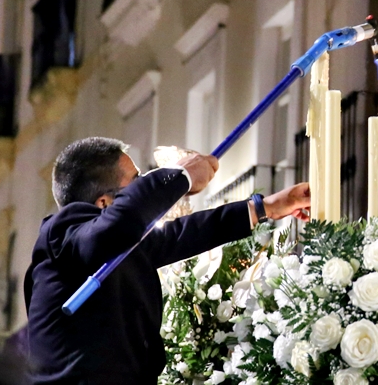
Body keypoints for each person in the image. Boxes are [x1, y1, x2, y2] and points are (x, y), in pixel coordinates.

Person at [24, 137, 310, 384]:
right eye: (137, 182)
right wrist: (179, 176)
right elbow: (109, 231)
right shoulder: (61, 235)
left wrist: (265, 208)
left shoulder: (121, 245)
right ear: (104, 203)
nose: (144, 185)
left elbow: (183, 234)